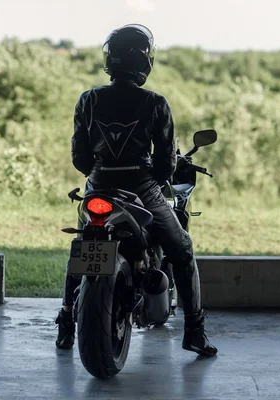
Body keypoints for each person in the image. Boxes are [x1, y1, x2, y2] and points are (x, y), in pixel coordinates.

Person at [55, 24, 217, 357]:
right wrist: (150, 179)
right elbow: (165, 165)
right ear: (145, 61)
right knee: (182, 248)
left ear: (110, 58)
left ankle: (66, 322)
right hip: (142, 190)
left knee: (86, 247)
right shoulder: (155, 103)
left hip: (98, 188)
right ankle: (195, 331)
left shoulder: (88, 99)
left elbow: (80, 157)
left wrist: (101, 175)